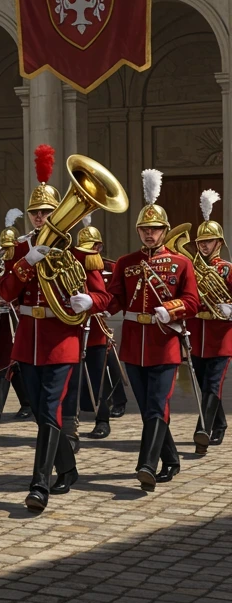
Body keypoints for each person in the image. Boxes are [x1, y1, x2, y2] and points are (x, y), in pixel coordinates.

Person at [0, 145, 111, 512]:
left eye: (47, 212)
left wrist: (90, 302)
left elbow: (103, 295)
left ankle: (38, 486)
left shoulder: (79, 252)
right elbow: (6, 292)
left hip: (62, 338)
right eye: (36, 213)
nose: (41, 218)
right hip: (28, 338)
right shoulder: (19, 249)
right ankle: (69, 468)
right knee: (43, 412)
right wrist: (27, 262)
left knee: (49, 410)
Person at [105, 169, 199, 488]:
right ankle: (171, 460)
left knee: (157, 406)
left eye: (155, 229)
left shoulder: (180, 264)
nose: (149, 234)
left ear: (164, 231)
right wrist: (91, 301)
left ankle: (146, 465)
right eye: (144, 229)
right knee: (148, 409)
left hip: (165, 344)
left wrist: (171, 309)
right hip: (133, 345)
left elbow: (193, 301)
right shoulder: (125, 261)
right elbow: (115, 298)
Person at [187, 190, 232, 454]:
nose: (204, 246)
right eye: (201, 242)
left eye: (209, 241)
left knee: (213, 384)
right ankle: (221, 424)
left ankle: (202, 430)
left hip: (220, 334)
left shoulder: (227, 268)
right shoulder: (191, 267)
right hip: (196, 333)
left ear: (219, 242)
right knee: (204, 385)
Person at [71, 220, 124, 439]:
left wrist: (106, 309)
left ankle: (103, 420)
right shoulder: (71, 263)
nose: (90, 251)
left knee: (98, 378)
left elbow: (111, 294)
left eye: (93, 246)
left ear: (100, 247)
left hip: (96, 328)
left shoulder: (109, 266)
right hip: (74, 327)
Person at [0, 208, 33, 424]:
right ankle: (25, 404)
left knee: (12, 362)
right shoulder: (9, 260)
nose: (5, 252)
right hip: (13, 316)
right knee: (10, 361)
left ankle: (5, 407)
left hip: (26, 316)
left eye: (8, 248)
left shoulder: (23, 258)